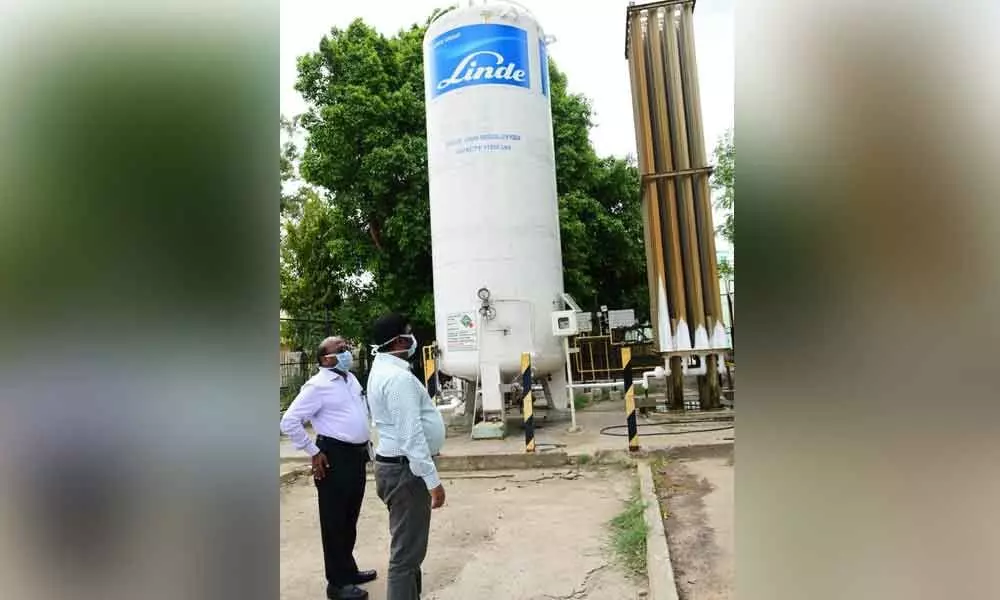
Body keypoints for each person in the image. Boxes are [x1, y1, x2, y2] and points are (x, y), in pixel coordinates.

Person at [280, 336, 377, 600]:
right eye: (340, 350)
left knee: (350, 518)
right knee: (334, 522)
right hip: (333, 457)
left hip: (356, 456)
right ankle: (336, 584)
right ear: (325, 359)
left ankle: (348, 570)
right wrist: (313, 452)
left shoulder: (350, 379)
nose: (347, 352)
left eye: (346, 348)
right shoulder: (317, 386)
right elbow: (289, 422)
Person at [366, 314, 447, 600]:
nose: (414, 339)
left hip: (397, 467)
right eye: (410, 334)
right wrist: (432, 480)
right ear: (400, 341)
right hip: (406, 472)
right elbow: (410, 436)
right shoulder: (397, 378)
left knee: (410, 549)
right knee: (405, 556)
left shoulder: (382, 369)